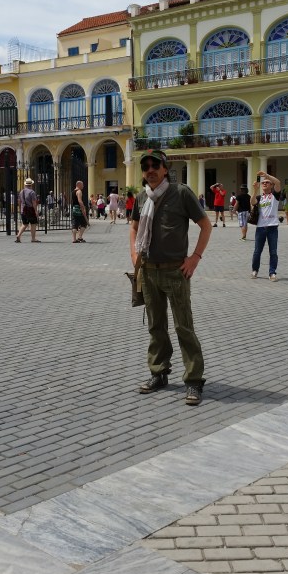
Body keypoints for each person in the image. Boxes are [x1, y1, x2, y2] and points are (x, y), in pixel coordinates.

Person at [130, 149, 212, 407]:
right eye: (146, 167)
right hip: (149, 271)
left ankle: (194, 381)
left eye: (155, 165)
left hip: (176, 271)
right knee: (156, 326)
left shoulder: (181, 193)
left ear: (165, 168)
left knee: (183, 326)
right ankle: (159, 372)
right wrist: (135, 256)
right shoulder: (142, 196)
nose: (150, 170)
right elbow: (134, 227)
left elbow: (205, 225)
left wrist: (195, 257)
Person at [251, 171, 281, 280]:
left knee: (273, 251)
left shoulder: (275, 196)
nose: (265, 184)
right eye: (263, 183)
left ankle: (272, 272)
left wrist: (267, 176)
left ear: (271, 185)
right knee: (257, 251)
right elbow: (252, 202)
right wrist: (255, 190)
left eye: (267, 183)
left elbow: (278, 182)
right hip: (260, 228)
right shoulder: (260, 198)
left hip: (272, 227)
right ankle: (255, 270)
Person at [15, 177, 40, 243]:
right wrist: (36, 211)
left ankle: (19, 235)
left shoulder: (21, 192)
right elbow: (34, 203)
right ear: (31, 184)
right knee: (33, 224)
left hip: (24, 210)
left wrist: (20, 209)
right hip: (31, 210)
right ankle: (33, 238)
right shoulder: (32, 192)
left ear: (25, 184)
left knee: (24, 224)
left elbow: (19, 202)